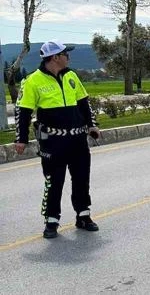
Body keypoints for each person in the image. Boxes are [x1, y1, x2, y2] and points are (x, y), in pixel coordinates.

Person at [14, 41, 102, 239]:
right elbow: (23, 111)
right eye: (65, 53)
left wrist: (92, 125)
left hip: (78, 139)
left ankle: (83, 215)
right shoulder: (32, 81)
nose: (67, 57)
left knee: (81, 178)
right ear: (55, 57)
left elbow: (84, 103)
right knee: (54, 181)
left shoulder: (71, 76)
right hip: (53, 141)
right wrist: (21, 138)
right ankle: (51, 220)